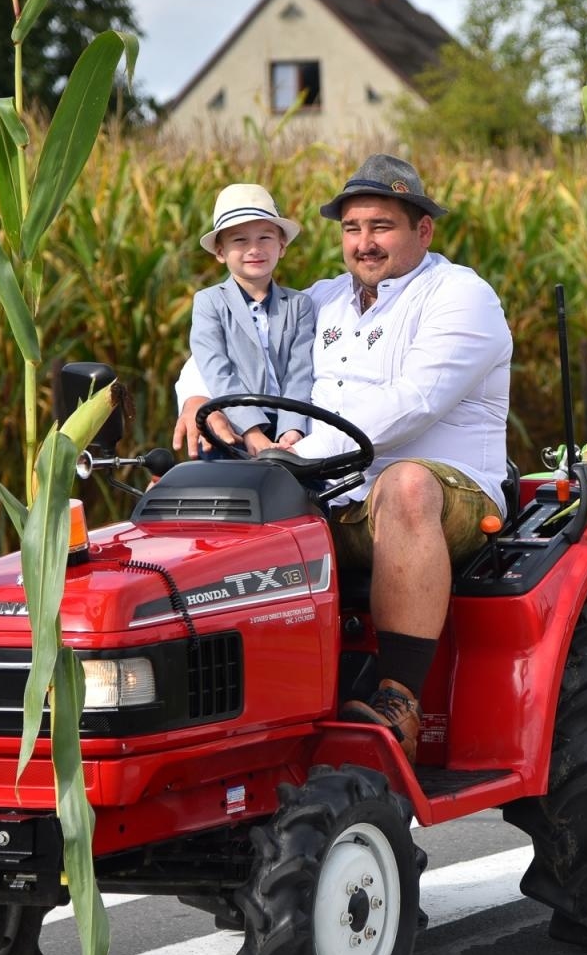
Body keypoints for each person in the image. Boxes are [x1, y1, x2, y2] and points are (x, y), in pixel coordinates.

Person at [173, 155, 513, 764]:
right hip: (331, 493)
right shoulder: (323, 300)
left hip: (449, 496)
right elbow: (242, 345)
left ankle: (399, 699)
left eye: (381, 226)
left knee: (406, 485)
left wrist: (294, 457)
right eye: (352, 228)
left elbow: (413, 404)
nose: (364, 242)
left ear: (423, 231)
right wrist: (194, 394)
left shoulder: (461, 296)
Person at [188, 183, 315, 457]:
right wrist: (251, 430)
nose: (254, 249)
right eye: (240, 240)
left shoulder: (299, 305)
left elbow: (299, 371)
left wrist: (292, 429)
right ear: (220, 252)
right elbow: (217, 370)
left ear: (282, 246)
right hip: (232, 425)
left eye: (265, 238)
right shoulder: (209, 302)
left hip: (286, 424)